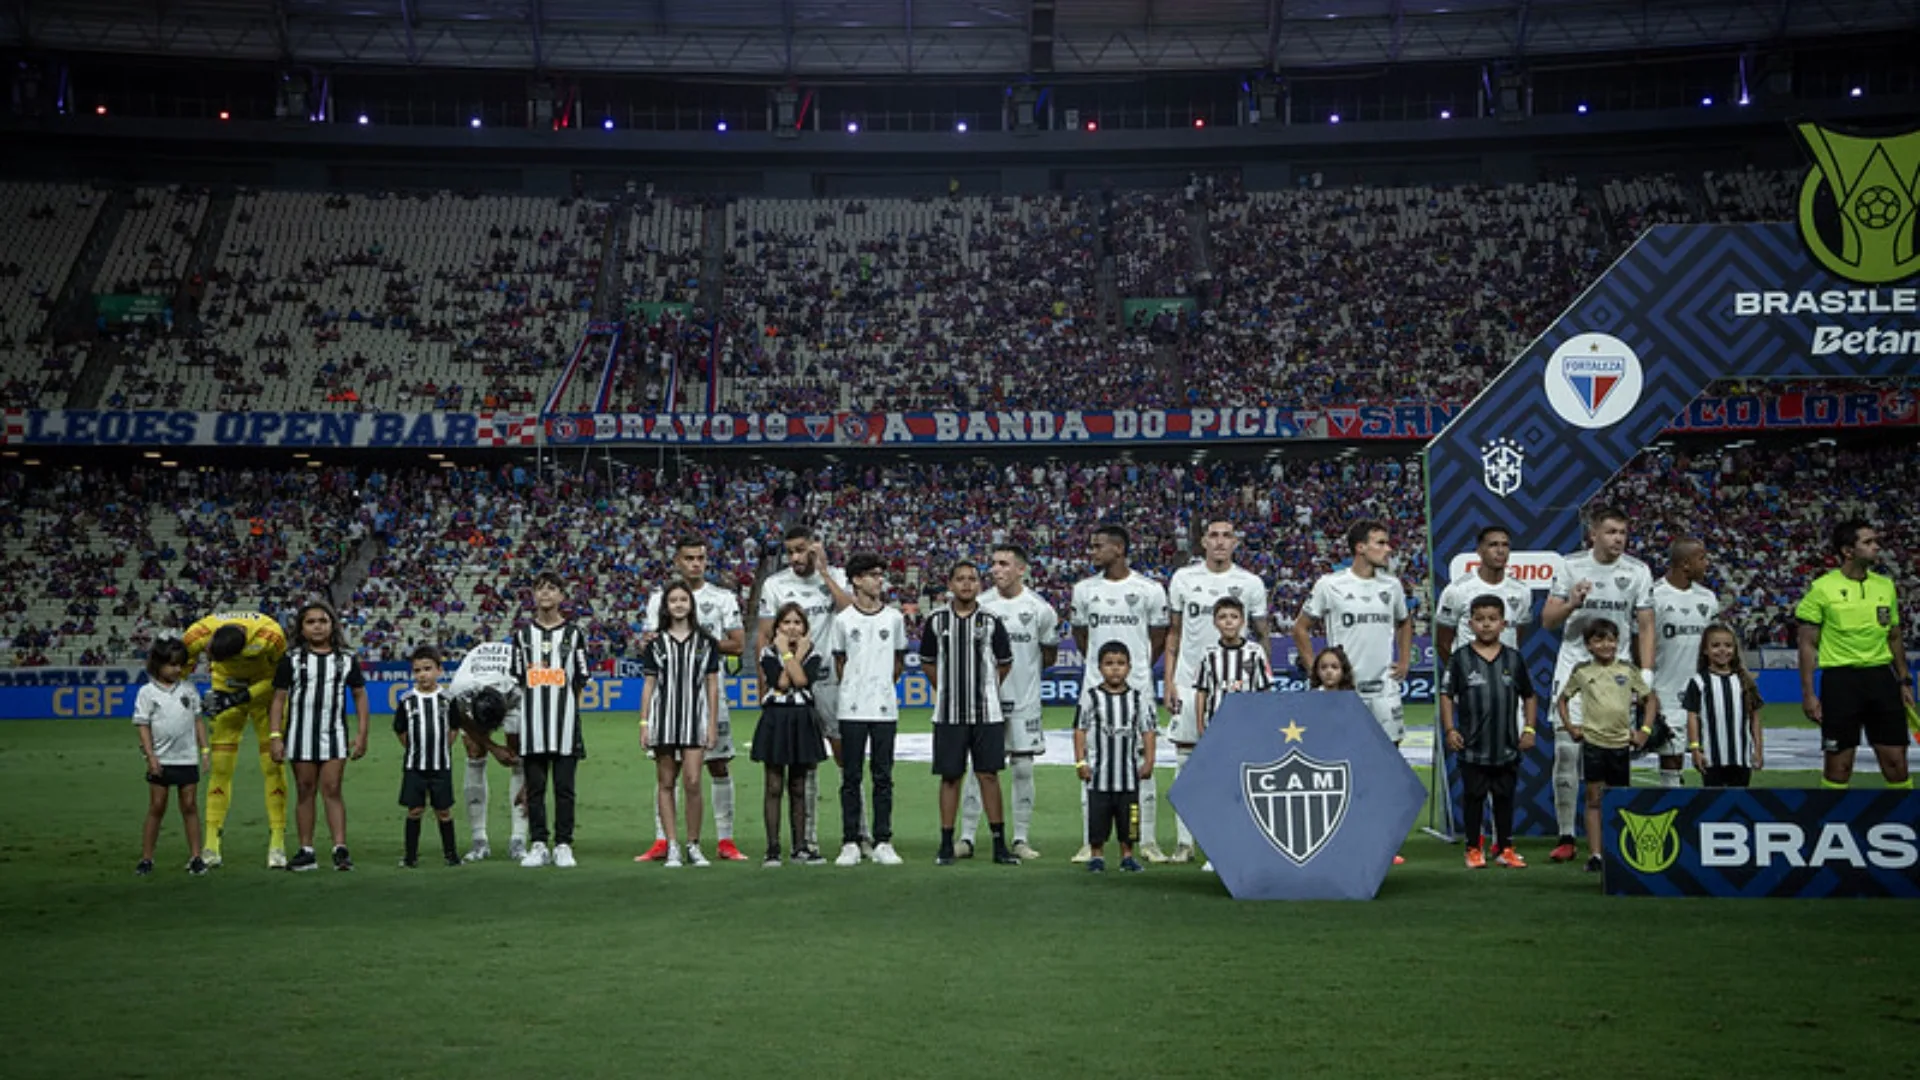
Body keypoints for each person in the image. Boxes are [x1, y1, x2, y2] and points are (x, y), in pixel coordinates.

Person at [1540, 507, 1654, 864]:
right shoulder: (1570, 566)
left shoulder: (1637, 571)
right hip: (1574, 667)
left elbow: (1646, 625)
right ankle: (1565, 836)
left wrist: (1646, 672)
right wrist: (1573, 602)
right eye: (1611, 532)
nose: (1618, 539)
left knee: (1614, 759)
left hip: (1617, 675)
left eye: (1622, 532)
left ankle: (1610, 841)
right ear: (1593, 534)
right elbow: (1547, 621)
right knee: (1567, 752)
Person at [636, 537, 749, 863]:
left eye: (700, 557)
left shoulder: (722, 598)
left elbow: (738, 644)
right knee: (665, 772)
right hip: (669, 700)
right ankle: (664, 840)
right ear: (677, 561)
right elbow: (650, 643)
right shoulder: (659, 598)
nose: (696, 564)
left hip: (708, 697)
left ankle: (725, 839)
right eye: (689, 558)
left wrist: (701, 642)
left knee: (716, 765)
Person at [1165, 517, 1269, 863]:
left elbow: (1262, 634)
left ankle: (1232, 838)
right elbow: (1174, 633)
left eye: (1227, 536)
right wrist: (1168, 680)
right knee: (1186, 760)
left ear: (1236, 543)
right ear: (1203, 542)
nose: (1220, 542)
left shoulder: (1250, 583)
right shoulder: (1184, 578)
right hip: (1189, 682)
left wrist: (1262, 685)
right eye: (1214, 536)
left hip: (1237, 691)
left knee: (1236, 765)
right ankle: (1184, 841)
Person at [1069, 525, 1169, 862]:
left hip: (1137, 684)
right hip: (1095, 689)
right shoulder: (1083, 590)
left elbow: (1158, 635)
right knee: (1093, 760)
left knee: (1142, 760)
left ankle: (1147, 841)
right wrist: (1102, 671)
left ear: (1119, 548)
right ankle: (1090, 841)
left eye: (1098, 546)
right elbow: (1081, 635)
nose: (1092, 552)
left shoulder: (1149, 589)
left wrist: (1137, 667)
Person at [756, 526, 856, 855]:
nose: (795, 558)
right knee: (805, 764)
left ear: (814, 548)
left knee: (847, 759)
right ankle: (807, 839)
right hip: (793, 689)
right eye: (790, 552)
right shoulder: (775, 584)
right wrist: (763, 689)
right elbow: (765, 637)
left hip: (831, 681)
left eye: (801, 550)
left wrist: (825, 573)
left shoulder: (837, 576)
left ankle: (858, 834)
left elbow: (851, 612)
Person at [1795, 520, 1913, 790]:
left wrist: (1904, 681)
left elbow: (1894, 637)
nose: (1876, 547)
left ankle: (1907, 826)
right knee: (1839, 766)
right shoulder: (1822, 588)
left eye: (1876, 542)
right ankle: (1830, 826)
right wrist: (1809, 694)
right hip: (1841, 682)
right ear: (1848, 551)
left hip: (1882, 678)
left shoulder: (1885, 586)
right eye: (1868, 543)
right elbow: (1807, 645)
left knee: (1896, 762)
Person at [965, 544, 1059, 861]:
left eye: (1004, 564)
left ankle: (1020, 838)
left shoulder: (1039, 609)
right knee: (978, 769)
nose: (996, 570)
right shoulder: (980, 605)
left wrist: (1025, 680)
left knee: (1022, 768)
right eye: (993, 564)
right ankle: (966, 838)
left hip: (1023, 701)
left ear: (1021, 569)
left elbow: (1048, 654)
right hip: (984, 702)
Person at [922, 561, 1016, 867]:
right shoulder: (936, 620)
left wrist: (985, 688)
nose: (966, 584)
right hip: (948, 714)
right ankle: (946, 843)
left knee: (988, 775)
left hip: (987, 713)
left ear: (979, 584)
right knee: (950, 777)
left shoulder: (991, 620)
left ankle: (999, 845)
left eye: (972, 579)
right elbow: (928, 661)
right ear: (950, 584)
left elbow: (1004, 662)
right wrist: (946, 689)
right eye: (960, 579)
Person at [181, 608, 289, 868]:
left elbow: (281, 679)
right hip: (224, 689)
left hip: (265, 694)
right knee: (220, 767)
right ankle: (211, 845)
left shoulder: (271, 635)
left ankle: (277, 843)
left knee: (272, 766)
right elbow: (178, 675)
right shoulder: (196, 635)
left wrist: (238, 698)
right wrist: (195, 700)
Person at [268, 601, 370, 873]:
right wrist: (275, 736)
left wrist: (362, 734)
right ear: (301, 628)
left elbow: (360, 696)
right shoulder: (291, 659)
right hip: (300, 736)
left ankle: (340, 848)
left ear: (332, 625)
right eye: (311, 622)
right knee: (304, 790)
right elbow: (278, 699)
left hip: (334, 735)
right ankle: (306, 851)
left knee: (333, 789)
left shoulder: (345, 659)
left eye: (323, 621)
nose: (317, 626)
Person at [1439, 596, 1538, 870]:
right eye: (1480, 619)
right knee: (1474, 798)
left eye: (1492, 619)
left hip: (1506, 744)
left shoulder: (1513, 658)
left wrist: (1529, 728)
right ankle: (1473, 848)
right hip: (1472, 745)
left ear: (1503, 624)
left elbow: (1530, 696)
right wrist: (1450, 729)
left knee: (1505, 798)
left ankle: (1505, 848)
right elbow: (1447, 695)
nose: (1486, 625)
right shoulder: (1460, 658)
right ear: (1470, 623)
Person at [1292, 520, 1413, 743]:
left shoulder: (1392, 585)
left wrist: (1404, 660)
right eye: (1381, 543)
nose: (1389, 549)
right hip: (1345, 689)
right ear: (1360, 548)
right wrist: (1314, 670)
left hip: (1384, 688)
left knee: (1390, 758)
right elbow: (1300, 628)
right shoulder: (1330, 584)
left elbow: (1405, 622)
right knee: (1343, 755)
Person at [1555, 619, 1657, 873]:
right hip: (1594, 744)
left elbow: (1650, 700)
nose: (1605, 645)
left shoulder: (1627, 670)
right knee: (1593, 800)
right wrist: (1571, 727)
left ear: (1617, 642)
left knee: (1620, 800)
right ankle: (1596, 855)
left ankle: (1620, 851)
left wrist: (1644, 731)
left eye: (1610, 639)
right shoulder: (1582, 672)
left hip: (1621, 744)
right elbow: (1562, 700)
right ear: (1588, 645)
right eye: (1599, 640)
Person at [637, 581, 723, 868]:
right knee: (665, 782)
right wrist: (644, 722)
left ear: (691, 604)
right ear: (666, 606)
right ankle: (672, 844)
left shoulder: (706, 642)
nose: (678, 604)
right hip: (664, 719)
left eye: (683, 599)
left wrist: (712, 724)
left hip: (694, 719)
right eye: (672, 600)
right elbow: (649, 684)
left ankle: (694, 844)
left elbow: (712, 685)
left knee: (694, 781)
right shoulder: (656, 644)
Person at [830, 553, 907, 866]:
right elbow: (840, 662)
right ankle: (850, 841)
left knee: (883, 777)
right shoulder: (843, 620)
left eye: (880, 574)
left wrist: (881, 687)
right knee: (850, 777)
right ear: (857, 580)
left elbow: (898, 663)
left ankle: (883, 840)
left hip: (885, 708)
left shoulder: (894, 619)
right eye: (873, 575)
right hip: (851, 707)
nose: (879, 580)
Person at [512, 570, 592, 869]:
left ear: (561, 595)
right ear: (533, 595)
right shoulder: (522, 636)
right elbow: (520, 679)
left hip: (565, 725)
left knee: (564, 787)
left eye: (551, 589)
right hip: (533, 726)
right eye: (540, 588)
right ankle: (538, 843)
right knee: (535, 788)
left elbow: (581, 680)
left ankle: (563, 844)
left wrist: (573, 716)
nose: (545, 594)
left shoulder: (574, 635)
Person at [752, 602, 831, 866]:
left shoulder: (814, 654)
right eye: (786, 623)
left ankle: (800, 847)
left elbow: (800, 681)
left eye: (798, 622)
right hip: (776, 718)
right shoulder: (768, 653)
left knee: (799, 786)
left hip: (802, 719)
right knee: (773, 785)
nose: (792, 628)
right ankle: (772, 849)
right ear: (777, 628)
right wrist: (788, 653)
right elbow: (782, 682)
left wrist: (789, 656)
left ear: (805, 628)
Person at [1075, 642, 1157, 874]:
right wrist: (1081, 762)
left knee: (1129, 820)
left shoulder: (1138, 699)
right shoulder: (1091, 697)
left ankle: (1127, 856)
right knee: (1098, 818)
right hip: (1099, 776)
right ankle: (1097, 856)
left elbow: (1148, 731)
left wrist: (1149, 761)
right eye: (1109, 664)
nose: (1115, 669)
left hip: (1129, 776)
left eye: (1120, 664)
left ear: (1129, 668)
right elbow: (1079, 730)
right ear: (1100, 668)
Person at [447, 638, 527, 862]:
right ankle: (479, 841)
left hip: (511, 690)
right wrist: (491, 747)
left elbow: (539, 738)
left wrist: (532, 780)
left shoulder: (521, 686)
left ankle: (518, 840)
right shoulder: (461, 688)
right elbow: (457, 716)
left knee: (517, 757)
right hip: (479, 679)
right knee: (474, 751)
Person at [133, 637, 208, 876]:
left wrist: (204, 750)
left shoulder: (189, 689)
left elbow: (198, 721)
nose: (177, 669)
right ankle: (147, 858)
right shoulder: (147, 692)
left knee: (189, 806)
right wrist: (150, 756)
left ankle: (196, 857)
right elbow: (142, 725)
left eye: (180, 665)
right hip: (162, 759)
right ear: (158, 664)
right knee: (157, 806)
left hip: (187, 757)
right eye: (172, 664)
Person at [1649, 538, 1719, 789]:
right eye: (1702, 558)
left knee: (1711, 758)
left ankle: (1711, 817)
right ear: (1686, 564)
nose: (1707, 564)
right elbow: (1641, 645)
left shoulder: (1708, 598)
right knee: (1671, 759)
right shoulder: (1654, 596)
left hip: (1703, 691)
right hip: (1666, 691)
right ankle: (1674, 812)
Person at [393, 645, 461, 868]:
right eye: (418, 670)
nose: (423, 674)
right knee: (415, 810)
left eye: (428, 669)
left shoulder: (447, 699)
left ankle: (451, 855)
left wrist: (442, 748)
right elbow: (401, 730)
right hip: (415, 765)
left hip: (441, 765)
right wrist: (414, 749)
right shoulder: (406, 700)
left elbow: (453, 729)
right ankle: (410, 856)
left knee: (443, 811)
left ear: (439, 671)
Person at [1433, 526, 1533, 660]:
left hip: (1507, 675)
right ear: (1480, 551)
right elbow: (1443, 643)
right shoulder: (1457, 590)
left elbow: (1517, 635)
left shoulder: (1522, 591)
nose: (1500, 551)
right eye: (1493, 545)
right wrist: (1460, 673)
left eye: (1505, 545)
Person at [1685, 624, 1765, 787]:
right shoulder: (1699, 682)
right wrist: (1695, 749)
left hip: (1740, 758)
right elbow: (1692, 717)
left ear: (1735, 650)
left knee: (1739, 803)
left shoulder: (1745, 681)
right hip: (1712, 759)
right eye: (1715, 646)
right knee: (1714, 805)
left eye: (1728, 646)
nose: (1722, 650)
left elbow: (1754, 719)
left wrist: (1758, 750)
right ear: (1705, 650)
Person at [1191, 596, 1273, 739]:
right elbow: (1201, 692)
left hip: (1249, 725)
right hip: (1216, 725)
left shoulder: (1255, 652)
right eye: (1222, 617)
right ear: (1215, 623)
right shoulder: (1209, 654)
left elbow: (1265, 690)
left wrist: (1265, 722)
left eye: (1234, 617)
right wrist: (1199, 725)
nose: (1228, 621)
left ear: (1242, 622)